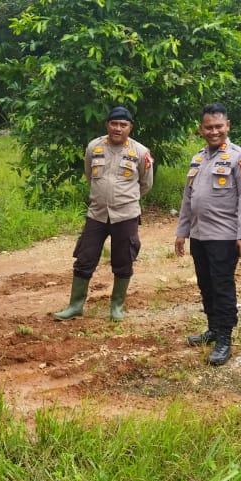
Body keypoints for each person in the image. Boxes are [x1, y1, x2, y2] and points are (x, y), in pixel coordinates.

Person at [52, 106, 154, 322]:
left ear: (130, 127)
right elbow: (90, 175)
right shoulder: (94, 147)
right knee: (84, 257)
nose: (118, 128)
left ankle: (117, 307)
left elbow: (145, 184)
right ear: (107, 124)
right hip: (97, 214)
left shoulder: (141, 152)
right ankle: (75, 305)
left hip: (125, 215)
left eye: (123, 125)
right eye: (114, 124)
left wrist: (124, 198)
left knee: (123, 259)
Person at [174, 103, 241, 366]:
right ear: (201, 129)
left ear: (227, 126)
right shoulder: (198, 158)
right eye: (208, 127)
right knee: (205, 284)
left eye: (219, 126)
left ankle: (225, 339)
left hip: (224, 236)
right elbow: (188, 198)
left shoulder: (239, 158)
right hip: (199, 235)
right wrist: (182, 231)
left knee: (222, 287)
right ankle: (213, 328)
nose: (214, 131)